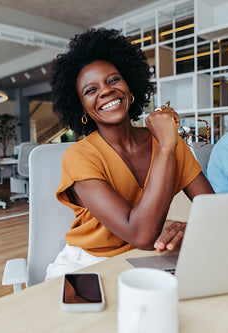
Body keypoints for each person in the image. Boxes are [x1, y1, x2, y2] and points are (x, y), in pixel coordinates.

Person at [46, 28, 214, 280]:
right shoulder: (80, 156)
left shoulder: (168, 140)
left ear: (130, 86)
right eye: (91, 90)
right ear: (80, 107)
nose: (105, 90)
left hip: (150, 257)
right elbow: (141, 234)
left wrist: (192, 229)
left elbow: (216, 212)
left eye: (113, 80)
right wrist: (166, 146)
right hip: (89, 265)